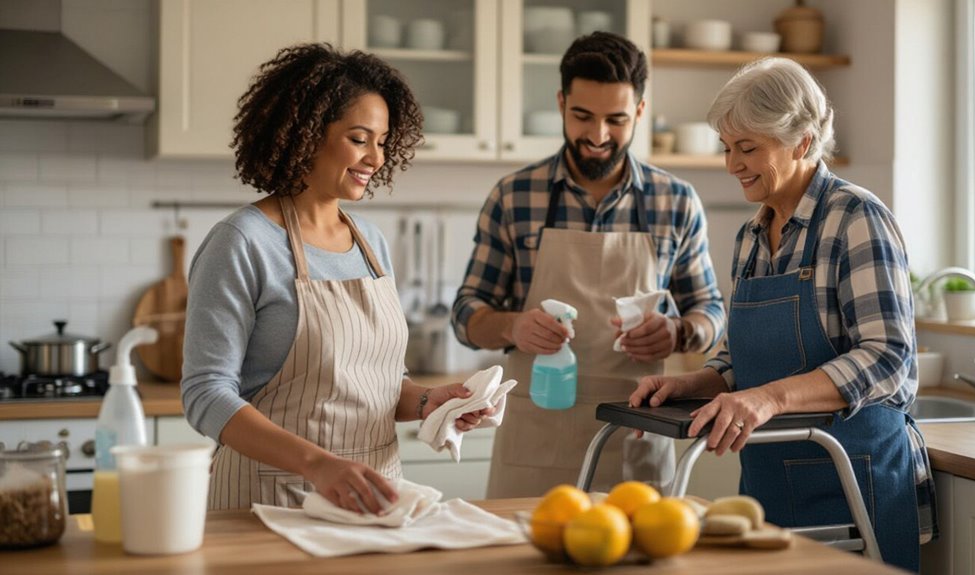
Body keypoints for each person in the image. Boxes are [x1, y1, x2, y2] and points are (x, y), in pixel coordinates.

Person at [630, 57, 936, 572]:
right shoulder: (751, 235)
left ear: (802, 140)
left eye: (748, 148)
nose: (732, 164)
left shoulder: (856, 218)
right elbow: (737, 360)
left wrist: (768, 399)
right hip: (768, 486)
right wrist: (692, 385)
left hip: (854, 486)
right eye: (728, 148)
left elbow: (887, 356)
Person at [181, 44, 494, 514]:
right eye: (359, 138)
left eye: (383, 141)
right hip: (269, 500)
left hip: (374, 498)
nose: (375, 158)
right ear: (305, 133)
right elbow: (205, 394)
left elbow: (374, 386)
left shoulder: (370, 242)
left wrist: (429, 400)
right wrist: (318, 465)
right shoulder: (242, 241)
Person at [452, 32, 726, 498]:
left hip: (636, 438)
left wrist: (679, 332)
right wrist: (514, 326)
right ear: (561, 103)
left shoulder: (675, 201)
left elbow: (711, 311)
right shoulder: (514, 196)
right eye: (583, 116)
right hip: (535, 442)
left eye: (616, 120)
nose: (598, 136)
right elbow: (466, 313)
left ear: (639, 111)